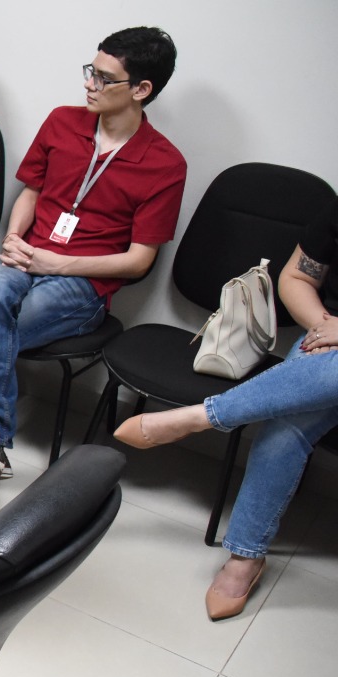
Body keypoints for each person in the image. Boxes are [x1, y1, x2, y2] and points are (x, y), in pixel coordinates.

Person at [0, 27, 187, 479]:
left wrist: (55, 263)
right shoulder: (62, 121)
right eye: (90, 72)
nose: (89, 85)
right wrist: (15, 239)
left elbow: (139, 260)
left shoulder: (165, 163)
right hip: (26, 257)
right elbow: (31, 192)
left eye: (104, 79)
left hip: (82, 284)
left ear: (141, 90)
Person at [113, 222, 338, 621]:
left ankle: (203, 416)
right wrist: (325, 326)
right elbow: (297, 276)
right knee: (284, 429)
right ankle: (246, 556)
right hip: (329, 342)